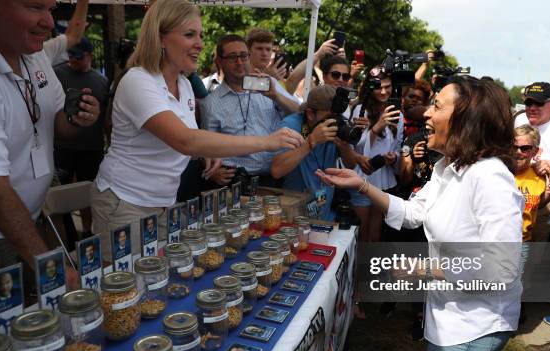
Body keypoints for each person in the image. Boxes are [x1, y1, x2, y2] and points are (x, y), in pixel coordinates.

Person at [317, 76, 523, 351]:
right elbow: (414, 212)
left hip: (474, 322)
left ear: (466, 118)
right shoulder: (447, 166)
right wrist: (362, 185)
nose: (426, 113)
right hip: (452, 312)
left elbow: (502, 268)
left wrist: (423, 270)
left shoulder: (490, 178)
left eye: (437, 106)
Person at [90, 0, 303, 262]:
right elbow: (185, 140)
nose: (200, 43)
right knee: (126, 293)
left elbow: (191, 142)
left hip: (164, 205)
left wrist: (204, 155)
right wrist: (266, 142)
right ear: (161, 38)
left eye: (200, 35)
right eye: (190, 34)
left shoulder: (184, 85)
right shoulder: (138, 80)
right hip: (124, 204)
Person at [0, 0, 100, 293]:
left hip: (32, 219)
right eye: (34, 7)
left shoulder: (35, 55)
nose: (49, 22)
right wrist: (49, 265)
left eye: (51, 9)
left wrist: (78, 118)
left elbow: (58, 123)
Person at [200, 34, 300, 186]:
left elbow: (300, 114)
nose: (239, 62)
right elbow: (206, 147)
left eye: (244, 56)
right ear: (220, 61)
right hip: (234, 181)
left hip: (273, 177)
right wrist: (214, 173)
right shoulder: (211, 104)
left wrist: (276, 96)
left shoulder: (269, 84)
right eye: (232, 57)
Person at [270, 85, 359, 220]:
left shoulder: (337, 125)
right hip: (296, 215)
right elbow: (276, 170)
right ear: (310, 113)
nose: (335, 122)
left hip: (325, 213)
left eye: (337, 116)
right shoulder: (292, 125)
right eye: (330, 117)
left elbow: (351, 165)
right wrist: (311, 142)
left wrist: (344, 147)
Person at [54, 37, 109, 239]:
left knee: (89, 194)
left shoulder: (101, 81)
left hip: (91, 148)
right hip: (63, 147)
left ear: (90, 56)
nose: (73, 60)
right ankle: (66, 236)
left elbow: (105, 117)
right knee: (61, 196)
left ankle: (87, 232)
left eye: (78, 56)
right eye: (71, 56)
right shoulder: (57, 74)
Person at [349, 67, 403, 242]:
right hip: (362, 176)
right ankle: (355, 269)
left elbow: (397, 146)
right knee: (360, 232)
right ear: (369, 87)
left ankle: (368, 268)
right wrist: (377, 127)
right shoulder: (360, 110)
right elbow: (356, 148)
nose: (384, 91)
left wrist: (393, 157)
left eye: (388, 87)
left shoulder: (397, 114)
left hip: (384, 180)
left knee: (375, 232)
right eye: (379, 87)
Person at [43, 0, 89, 66]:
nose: (49, 24)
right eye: (35, 8)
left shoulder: (46, 50)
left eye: (50, 10)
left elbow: (73, 35)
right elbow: (74, 35)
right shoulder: (46, 50)